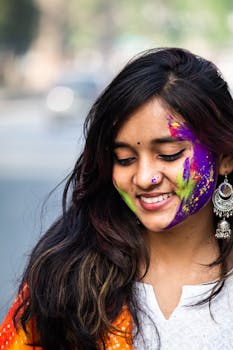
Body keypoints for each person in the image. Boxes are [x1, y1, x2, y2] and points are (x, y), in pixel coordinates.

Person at [1, 47, 233, 350]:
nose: (144, 177)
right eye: (124, 159)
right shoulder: (66, 276)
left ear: (225, 157)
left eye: (169, 155)